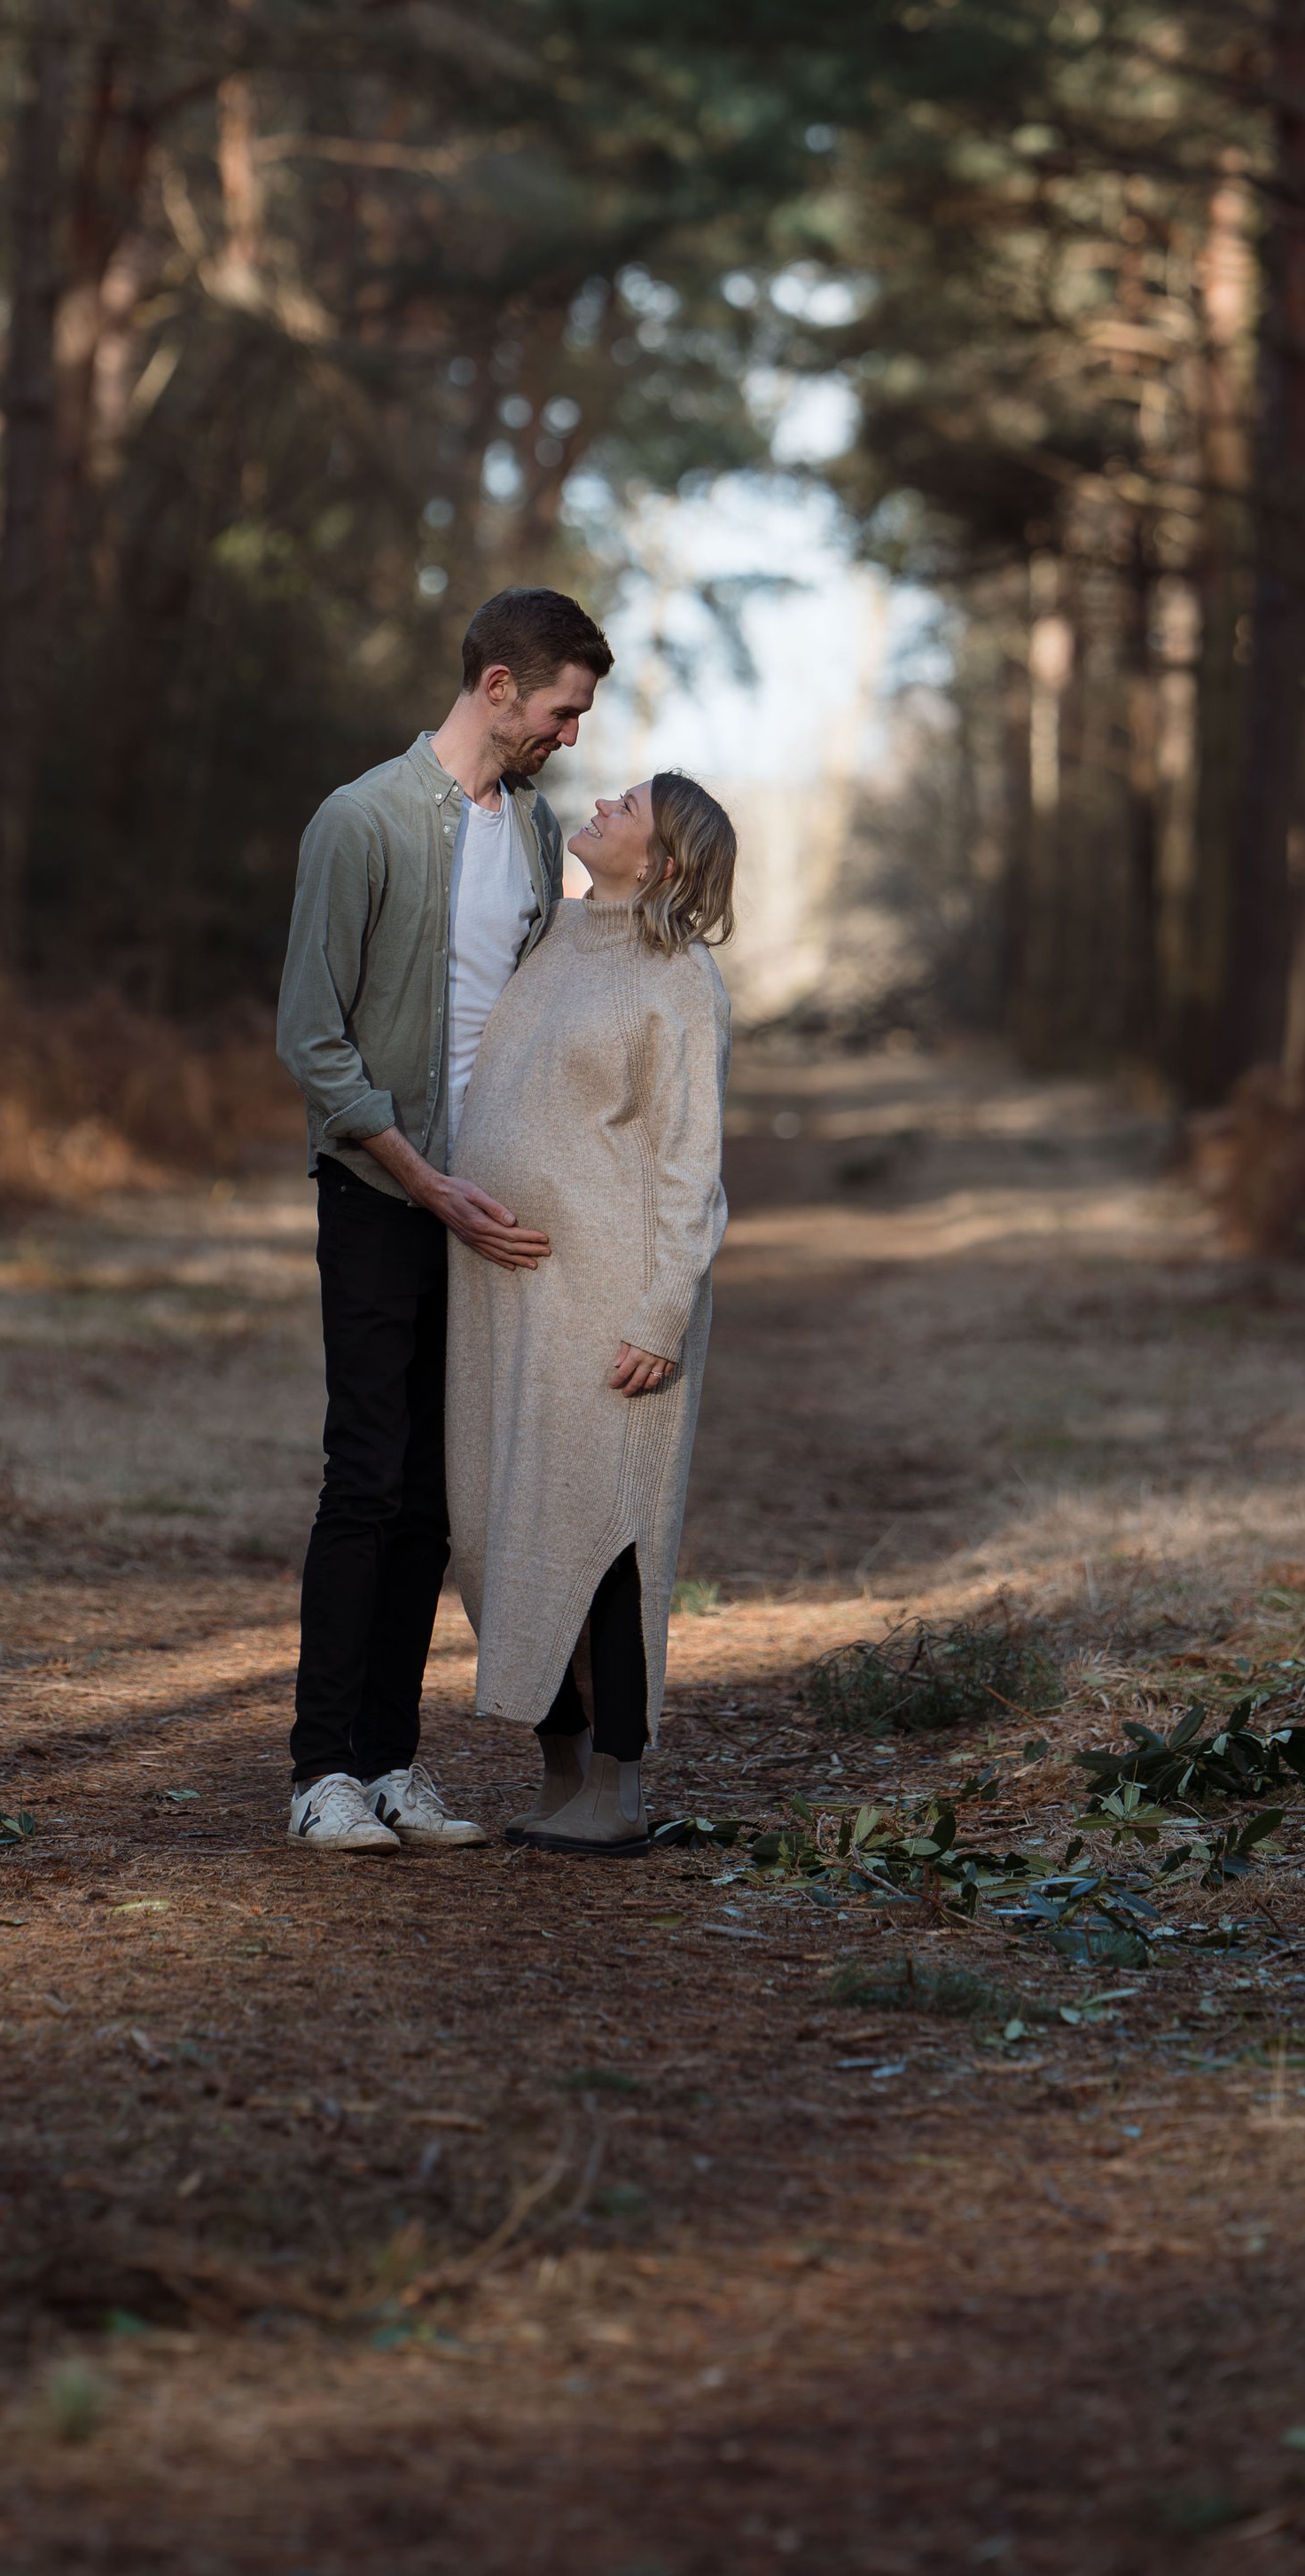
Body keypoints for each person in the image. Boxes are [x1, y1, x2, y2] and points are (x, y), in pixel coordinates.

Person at [274, 584, 614, 1852]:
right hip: (383, 1194)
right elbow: (312, 1037)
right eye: (563, 709)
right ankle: (321, 1775)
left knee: (436, 1492)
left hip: (491, 1206)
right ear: (496, 688)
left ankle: (392, 1763)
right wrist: (426, 1180)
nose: (571, 735)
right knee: (364, 1476)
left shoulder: (533, 832)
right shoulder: (360, 821)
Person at [445, 771, 736, 1856]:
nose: (604, 804)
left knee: (605, 1533)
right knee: (497, 1529)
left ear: (660, 865)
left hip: (613, 1298)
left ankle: (616, 1780)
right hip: (505, 1295)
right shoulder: (556, 938)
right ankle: (556, 1765)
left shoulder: (679, 980)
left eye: (630, 810)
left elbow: (688, 1166)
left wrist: (659, 1315)